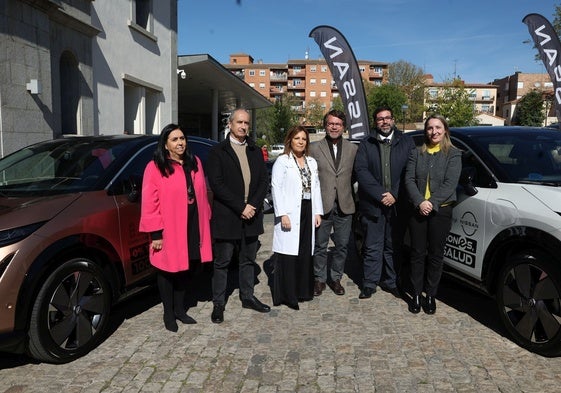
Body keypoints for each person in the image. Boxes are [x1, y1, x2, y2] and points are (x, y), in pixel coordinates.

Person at [139, 124, 213, 332]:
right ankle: (168, 313)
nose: (180, 143)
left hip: (192, 224)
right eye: (174, 139)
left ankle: (180, 309)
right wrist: (155, 233)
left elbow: (202, 192)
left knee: (186, 268)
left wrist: (206, 220)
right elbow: (149, 203)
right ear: (165, 144)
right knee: (167, 270)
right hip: (168, 227)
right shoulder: (155, 167)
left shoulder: (195, 162)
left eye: (182, 138)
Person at [206, 108, 271, 323]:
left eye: (246, 123)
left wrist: (252, 205)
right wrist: (240, 207)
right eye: (239, 122)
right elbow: (217, 184)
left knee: (248, 259)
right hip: (228, 216)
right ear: (230, 124)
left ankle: (247, 296)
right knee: (222, 262)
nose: (243, 126)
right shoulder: (219, 151)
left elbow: (263, 180)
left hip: (251, 215)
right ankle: (218, 304)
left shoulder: (254, 149)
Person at [354, 106, 415, 299]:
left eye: (388, 118)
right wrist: (382, 194)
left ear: (393, 120)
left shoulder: (407, 142)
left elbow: (410, 171)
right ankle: (370, 283)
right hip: (373, 204)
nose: (384, 122)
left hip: (398, 204)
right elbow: (361, 172)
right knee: (372, 245)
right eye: (380, 119)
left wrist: (395, 194)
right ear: (375, 122)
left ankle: (391, 281)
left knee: (393, 245)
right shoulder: (366, 143)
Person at [404, 114, 461, 314]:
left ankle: (431, 295)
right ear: (426, 130)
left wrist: (432, 202)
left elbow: (450, 183)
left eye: (438, 127)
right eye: (430, 128)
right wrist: (420, 201)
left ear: (445, 130)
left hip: (441, 211)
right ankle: (417, 295)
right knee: (417, 254)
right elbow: (409, 179)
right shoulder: (416, 153)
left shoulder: (453, 154)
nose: (434, 131)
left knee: (436, 256)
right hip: (418, 210)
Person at [271, 126, 323, 309]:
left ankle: (303, 291)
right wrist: (282, 213)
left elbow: (315, 188)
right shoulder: (282, 161)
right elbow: (276, 187)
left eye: (303, 139)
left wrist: (318, 211)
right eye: (297, 138)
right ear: (290, 141)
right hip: (290, 211)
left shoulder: (311, 162)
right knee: (288, 254)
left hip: (308, 209)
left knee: (304, 252)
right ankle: (288, 295)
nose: (300, 142)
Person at [309, 109, 357, 296]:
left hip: (345, 204)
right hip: (322, 206)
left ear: (344, 127)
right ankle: (319, 279)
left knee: (342, 245)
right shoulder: (313, 148)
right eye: (331, 123)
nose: (334, 127)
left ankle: (335, 278)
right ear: (325, 125)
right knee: (320, 245)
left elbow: (356, 175)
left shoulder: (353, 149)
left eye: (338, 124)